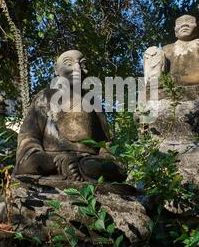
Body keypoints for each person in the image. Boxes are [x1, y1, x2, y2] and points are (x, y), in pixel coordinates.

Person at [13, 50, 126, 182]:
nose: (77, 68)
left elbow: (105, 144)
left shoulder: (93, 102)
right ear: (56, 70)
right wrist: (45, 157)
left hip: (88, 160)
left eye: (82, 64)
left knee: (109, 167)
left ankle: (74, 167)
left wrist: (107, 155)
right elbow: (29, 137)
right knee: (31, 163)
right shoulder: (45, 96)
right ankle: (66, 165)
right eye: (69, 63)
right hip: (51, 158)